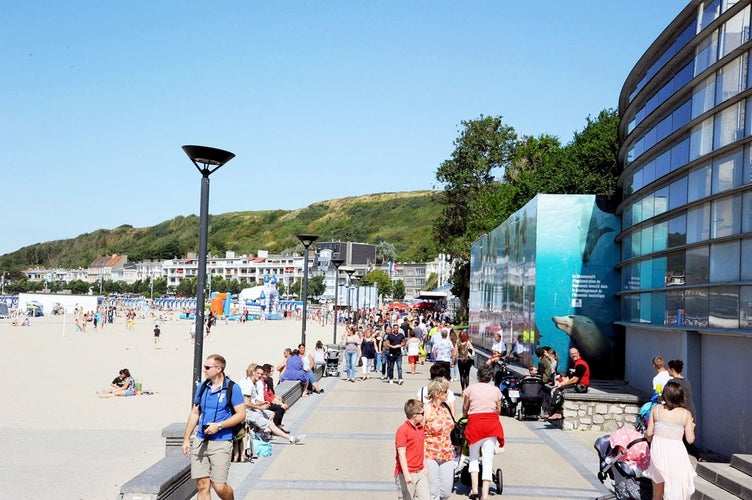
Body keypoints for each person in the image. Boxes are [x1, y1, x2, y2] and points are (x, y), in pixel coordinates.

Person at [181, 354, 246, 500]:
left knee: (219, 486)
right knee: (202, 485)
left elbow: (241, 415)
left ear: (218, 369)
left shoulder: (232, 388)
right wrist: (186, 439)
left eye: (207, 367)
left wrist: (220, 426)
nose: (204, 370)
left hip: (222, 441)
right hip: (201, 440)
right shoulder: (203, 387)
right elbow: (194, 413)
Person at [643, 381, 696, 499]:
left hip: (659, 452)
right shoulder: (686, 414)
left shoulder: (656, 409)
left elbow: (649, 434)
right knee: (676, 488)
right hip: (677, 453)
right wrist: (692, 426)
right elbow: (690, 439)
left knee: (657, 493)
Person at [462, 364, 504, 500]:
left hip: (475, 424)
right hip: (491, 425)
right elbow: (498, 409)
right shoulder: (496, 390)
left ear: (479, 376)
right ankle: (485, 494)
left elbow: (465, 407)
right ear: (490, 377)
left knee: (473, 457)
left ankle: (474, 489)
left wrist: (465, 416)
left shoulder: (470, 389)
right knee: (488, 459)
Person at [240, 363, 304, 446]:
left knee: (271, 414)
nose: (260, 376)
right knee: (269, 423)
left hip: (252, 409)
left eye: (261, 374)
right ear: (253, 372)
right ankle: (291, 438)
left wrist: (262, 403)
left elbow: (254, 400)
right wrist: (261, 408)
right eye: (258, 373)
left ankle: (263, 433)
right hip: (247, 412)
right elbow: (246, 402)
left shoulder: (254, 383)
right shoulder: (248, 384)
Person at [422, 378, 455, 500]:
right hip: (430, 453)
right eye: (445, 392)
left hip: (447, 453)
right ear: (437, 394)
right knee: (433, 492)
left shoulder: (447, 407)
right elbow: (419, 431)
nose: (448, 394)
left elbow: (452, 427)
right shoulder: (426, 408)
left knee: (446, 492)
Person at [394, 399, 429, 500]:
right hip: (407, 473)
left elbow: (421, 449)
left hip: (420, 472)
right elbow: (401, 454)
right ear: (415, 415)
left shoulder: (420, 428)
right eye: (422, 413)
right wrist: (406, 474)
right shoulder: (402, 430)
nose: (424, 415)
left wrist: (425, 466)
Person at [668, 359, 700, 460]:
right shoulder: (686, 381)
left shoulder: (673, 382)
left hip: (682, 413)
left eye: (669, 369)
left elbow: (669, 397)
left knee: (682, 439)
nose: (668, 371)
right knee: (686, 438)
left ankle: (697, 456)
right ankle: (697, 456)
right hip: (691, 411)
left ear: (672, 369)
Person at [546, 348, 590, 420]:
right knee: (555, 389)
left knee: (559, 392)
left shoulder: (581, 364)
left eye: (574, 353)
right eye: (571, 354)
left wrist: (563, 385)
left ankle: (557, 412)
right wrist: (561, 382)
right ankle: (554, 412)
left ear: (578, 353)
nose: (573, 355)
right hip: (575, 386)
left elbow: (574, 379)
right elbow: (568, 377)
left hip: (581, 387)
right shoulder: (573, 365)